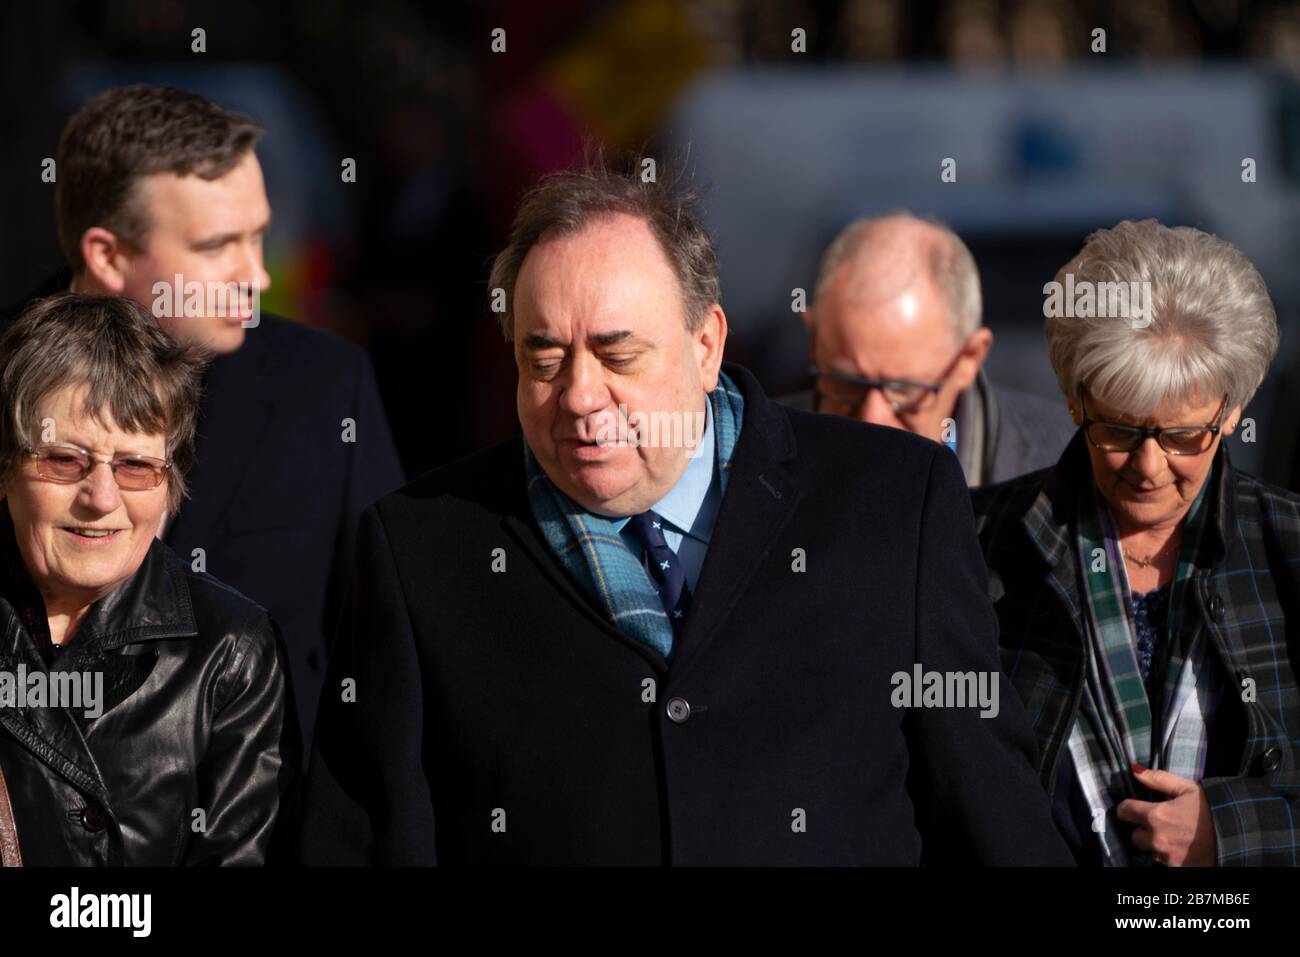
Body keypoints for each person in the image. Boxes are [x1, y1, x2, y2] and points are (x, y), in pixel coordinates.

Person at [300, 158, 1072, 865]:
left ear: (706, 344)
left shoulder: (893, 503)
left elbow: (992, 818)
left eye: (617, 354)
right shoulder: (422, 550)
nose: (577, 393)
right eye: (543, 358)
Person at [3, 85, 405, 755]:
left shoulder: (328, 389)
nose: (255, 274)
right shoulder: (5, 382)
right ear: (108, 255)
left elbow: (383, 650)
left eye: (258, 235)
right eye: (218, 245)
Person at [972, 219, 1300, 866]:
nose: (1148, 467)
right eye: (1118, 430)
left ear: (1231, 411)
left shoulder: (1287, 546)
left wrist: (1231, 833)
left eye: (1182, 437)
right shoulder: (977, 542)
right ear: (1074, 399)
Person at [0, 293, 298, 865]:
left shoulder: (229, 651)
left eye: (136, 467)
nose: (102, 499)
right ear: (9, 464)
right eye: (65, 460)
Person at [797, 214, 1073, 485]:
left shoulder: (1069, 465)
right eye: (847, 385)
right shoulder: (760, 452)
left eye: (902, 389)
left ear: (969, 358)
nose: (872, 420)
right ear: (814, 341)